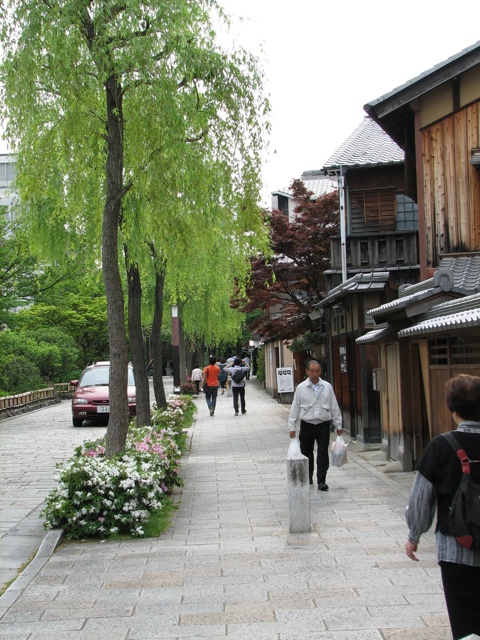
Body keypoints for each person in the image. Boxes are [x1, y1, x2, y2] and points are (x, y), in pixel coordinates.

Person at [405, 374, 480, 640]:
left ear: (454, 409)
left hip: (455, 546)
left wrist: (414, 534)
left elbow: (421, 498)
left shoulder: (441, 445)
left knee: (465, 623)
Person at [288, 360, 342, 491]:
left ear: (320, 371)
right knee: (306, 453)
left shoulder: (327, 386)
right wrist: (292, 426)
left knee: (323, 453)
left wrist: (338, 424)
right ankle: (308, 478)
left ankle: (322, 480)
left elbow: (334, 406)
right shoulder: (301, 388)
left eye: (317, 371)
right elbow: (295, 407)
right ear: (307, 371)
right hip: (307, 424)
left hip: (323, 424)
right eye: (312, 371)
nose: (315, 374)